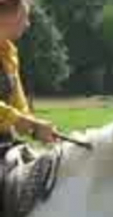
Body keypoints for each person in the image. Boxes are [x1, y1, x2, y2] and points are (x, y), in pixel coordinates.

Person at [0, 0, 57, 148]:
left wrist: (35, 128)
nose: (27, 24)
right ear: (6, 17)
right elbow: (16, 117)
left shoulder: (10, 53)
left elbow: (19, 105)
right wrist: (26, 122)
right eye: (24, 17)